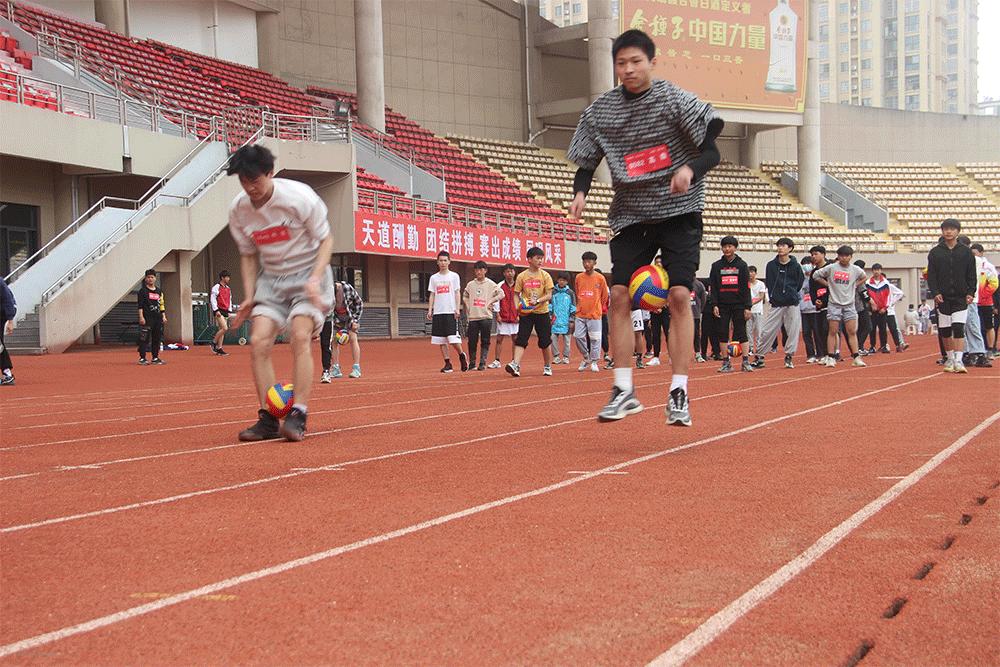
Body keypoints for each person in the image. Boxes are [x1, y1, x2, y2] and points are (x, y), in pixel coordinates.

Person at [566, 29, 723, 426]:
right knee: (618, 295)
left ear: (652, 61)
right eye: (621, 63)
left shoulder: (672, 99)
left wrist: (689, 169)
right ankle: (623, 389)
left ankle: (679, 392)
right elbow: (586, 161)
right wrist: (581, 193)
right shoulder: (602, 110)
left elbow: (713, 144)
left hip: (679, 211)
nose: (629, 69)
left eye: (636, 61)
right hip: (631, 213)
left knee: (680, 297)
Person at [226, 144, 334, 442]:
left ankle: (298, 413)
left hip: (309, 276)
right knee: (259, 341)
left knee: (299, 335)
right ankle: (270, 418)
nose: (250, 188)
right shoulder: (239, 210)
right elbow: (248, 254)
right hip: (272, 280)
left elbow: (326, 241)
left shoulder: (299, 198)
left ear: (270, 173)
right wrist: (249, 296)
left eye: (255, 181)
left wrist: (313, 279)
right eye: (244, 182)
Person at [927, 221, 976, 373]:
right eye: (946, 229)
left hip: (961, 297)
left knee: (958, 327)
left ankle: (959, 360)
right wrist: (935, 292)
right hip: (943, 297)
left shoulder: (966, 252)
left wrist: (970, 292)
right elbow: (932, 276)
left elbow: (971, 274)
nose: (948, 232)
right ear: (942, 231)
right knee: (946, 330)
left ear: (958, 231)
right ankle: (949, 359)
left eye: (952, 229)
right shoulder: (935, 252)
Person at [811, 245, 868, 368]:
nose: (843, 258)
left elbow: (864, 277)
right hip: (834, 304)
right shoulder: (831, 268)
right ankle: (831, 357)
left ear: (851, 257)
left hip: (849, 304)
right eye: (841, 255)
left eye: (846, 256)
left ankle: (856, 356)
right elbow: (816, 275)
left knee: (852, 331)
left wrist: (855, 285)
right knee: (833, 331)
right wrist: (828, 284)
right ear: (838, 256)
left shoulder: (855, 269)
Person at [753, 238, 804, 369]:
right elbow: (769, 282)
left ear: (790, 248)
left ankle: (789, 356)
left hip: (792, 302)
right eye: (779, 245)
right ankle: (759, 356)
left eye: (784, 245)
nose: (780, 248)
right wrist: (774, 295)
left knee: (792, 330)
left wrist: (791, 293)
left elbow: (799, 283)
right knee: (767, 330)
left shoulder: (796, 266)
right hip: (776, 303)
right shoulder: (771, 265)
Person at [506, 246, 554, 377]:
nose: (540, 261)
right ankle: (515, 364)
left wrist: (538, 301)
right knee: (521, 339)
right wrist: (518, 307)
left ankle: (547, 366)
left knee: (545, 341)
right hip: (526, 313)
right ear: (529, 259)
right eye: (538, 258)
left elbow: (549, 295)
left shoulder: (545, 275)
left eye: (541, 258)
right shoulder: (522, 276)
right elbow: (516, 294)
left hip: (542, 312)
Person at [709, 236, 752, 373]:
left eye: (730, 246)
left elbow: (746, 287)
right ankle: (726, 362)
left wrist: (747, 306)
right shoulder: (716, 266)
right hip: (722, 305)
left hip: (739, 304)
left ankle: (745, 361)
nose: (727, 249)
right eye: (725, 246)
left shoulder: (742, 265)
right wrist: (714, 304)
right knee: (722, 333)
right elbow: (713, 286)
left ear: (735, 247)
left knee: (741, 332)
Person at [427, 250, 468, 373]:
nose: (443, 263)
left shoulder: (454, 276)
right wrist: (430, 310)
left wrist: (457, 308)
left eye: (445, 260)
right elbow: (432, 295)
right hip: (438, 312)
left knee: (452, 339)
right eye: (441, 260)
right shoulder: (434, 278)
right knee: (441, 339)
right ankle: (447, 363)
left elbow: (457, 292)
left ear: (449, 262)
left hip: (450, 311)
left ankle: (461, 355)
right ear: (437, 262)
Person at [463, 261, 503, 371]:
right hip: (473, 317)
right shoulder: (471, 284)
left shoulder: (491, 284)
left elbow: (501, 293)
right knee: (472, 340)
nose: (478, 272)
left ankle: (482, 362)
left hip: (486, 316)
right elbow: (465, 296)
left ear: (485, 270)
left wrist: (491, 301)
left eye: (481, 269)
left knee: (485, 340)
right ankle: (472, 363)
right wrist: (468, 305)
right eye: (476, 270)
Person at [958, 236, 991, 368]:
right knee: (962, 327)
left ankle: (979, 352)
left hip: (970, 298)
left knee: (972, 325)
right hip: (961, 298)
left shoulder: (975, 260)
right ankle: (968, 353)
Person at [320, 280, 363, 381]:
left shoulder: (347, 288)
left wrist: (355, 321)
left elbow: (359, 303)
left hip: (350, 316)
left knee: (353, 337)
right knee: (334, 341)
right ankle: (335, 368)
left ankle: (356, 368)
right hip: (337, 318)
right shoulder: (328, 293)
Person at [574, 251, 608, 372]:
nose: (586, 264)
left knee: (595, 339)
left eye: (589, 261)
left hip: (594, 314)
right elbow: (578, 291)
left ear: (595, 263)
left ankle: (594, 361)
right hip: (580, 313)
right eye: (584, 261)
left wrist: (598, 307)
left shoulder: (600, 278)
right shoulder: (579, 277)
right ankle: (586, 357)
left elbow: (604, 296)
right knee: (578, 336)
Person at [971, 243, 998, 363]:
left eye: (975, 253)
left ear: (981, 253)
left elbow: (994, 284)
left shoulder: (988, 267)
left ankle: (990, 349)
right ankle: (976, 350)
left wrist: (982, 296)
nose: (973, 256)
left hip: (986, 302)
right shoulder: (969, 265)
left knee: (988, 326)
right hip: (973, 302)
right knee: (975, 327)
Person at [489, 263, 519, 369]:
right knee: (499, 339)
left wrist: (520, 314)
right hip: (503, 315)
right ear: (504, 273)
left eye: (511, 271)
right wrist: (497, 314)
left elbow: (522, 301)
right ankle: (497, 360)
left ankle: (514, 361)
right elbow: (496, 300)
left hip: (515, 316)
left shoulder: (519, 285)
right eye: (507, 271)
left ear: (514, 272)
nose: (509, 273)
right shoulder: (500, 285)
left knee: (515, 339)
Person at [137, 269, 167, 366]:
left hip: (157, 318)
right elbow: (140, 305)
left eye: (152, 277)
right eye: (148, 277)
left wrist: (163, 316)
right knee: (144, 338)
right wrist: (141, 317)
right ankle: (142, 357)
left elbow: (161, 304)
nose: (150, 279)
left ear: (155, 278)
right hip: (147, 317)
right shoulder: (142, 291)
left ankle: (155, 357)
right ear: (145, 279)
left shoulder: (159, 291)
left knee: (157, 338)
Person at [808, 246, 831, 362]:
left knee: (828, 329)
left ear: (823, 254)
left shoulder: (830, 268)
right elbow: (812, 289)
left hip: (831, 304)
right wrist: (814, 300)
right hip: (818, 305)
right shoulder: (813, 272)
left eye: (816, 254)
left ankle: (831, 354)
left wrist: (825, 299)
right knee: (819, 330)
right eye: (812, 255)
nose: (813, 257)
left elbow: (833, 286)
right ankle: (823, 354)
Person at [550, 272, 577, 365]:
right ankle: (556, 356)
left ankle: (566, 357)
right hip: (554, 320)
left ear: (567, 282)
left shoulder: (570, 293)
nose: (562, 282)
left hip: (567, 321)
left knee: (567, 341)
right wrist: (550, 316)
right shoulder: (553, 291)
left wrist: (572, 319)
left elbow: (573, 306)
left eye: (564, 280)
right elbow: (549, 305)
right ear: (557, 280)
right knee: (552, 338)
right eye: (560, 280)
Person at [865, 263, 892, 354]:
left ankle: (883, 346)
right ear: (872, 271)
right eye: (875, 270)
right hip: (872, 310)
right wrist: (869, 307)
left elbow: (889, 297)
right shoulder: (868, 283)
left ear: (881, 271)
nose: (876, 271)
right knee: (872, 329)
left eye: (878, 269)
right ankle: (872, 346)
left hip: (882, 310)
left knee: (883, 329)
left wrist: (885, 308)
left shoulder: (885, 283)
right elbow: (866, 296)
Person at [799, 257, 820, 363]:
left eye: (808, 263)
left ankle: (820, 353)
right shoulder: (800, 279)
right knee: (806, 333)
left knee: (817, 333)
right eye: (804, 264)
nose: (806, 266)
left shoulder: (816, 277)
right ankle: (810, 354)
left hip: (815, 309)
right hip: (804, 309)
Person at [746, 265, 767, 357]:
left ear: (756, 273)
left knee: (759, 330)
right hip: (748, 311)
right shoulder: (745, 283)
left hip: (758, 310)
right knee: (748, 330)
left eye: (752, 272)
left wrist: (751, 302)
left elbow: (761, 296)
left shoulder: (761, 284)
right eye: (749, 272)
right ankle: (750, 348)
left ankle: (759, 348)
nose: (750, 274)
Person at [0, 276, 15, 385]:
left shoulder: (0, 283)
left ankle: (7, 373)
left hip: (3, 312)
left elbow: (7, 299)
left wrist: (10, 321)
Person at [690, 277, 707, 362]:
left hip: (695, 314)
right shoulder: (682, 283)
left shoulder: (699, 284)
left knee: (696, 334)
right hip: (683, 315)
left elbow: (703, 298)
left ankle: (697, 353)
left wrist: (699, 310)